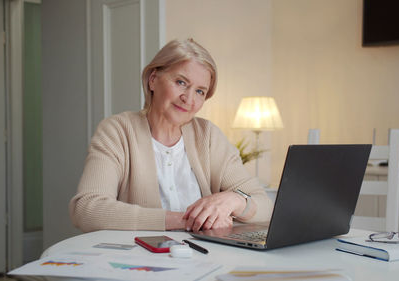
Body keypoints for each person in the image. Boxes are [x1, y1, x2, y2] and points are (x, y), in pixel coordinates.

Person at [69, 38, 273, 232]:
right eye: (181, 82)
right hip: (138, 261)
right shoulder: (117, 131)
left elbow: (265, 205)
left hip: (204, 259)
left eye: (200, 91)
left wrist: (234, 200)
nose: (189, 99)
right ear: (153, 80)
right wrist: (184, 221)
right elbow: (87, 209)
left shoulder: (208, 136)